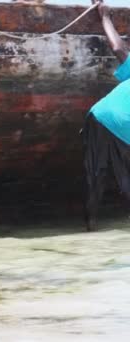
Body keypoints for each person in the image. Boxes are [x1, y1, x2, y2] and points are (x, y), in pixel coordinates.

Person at [83, 0, 130, 231]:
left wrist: (105, 17)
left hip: (102, 116)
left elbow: (119, 49)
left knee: (97, 176)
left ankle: (91, 228)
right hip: (120, 126)